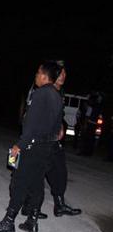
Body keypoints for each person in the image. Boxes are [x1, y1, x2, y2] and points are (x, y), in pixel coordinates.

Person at [0, 61, 64, 232]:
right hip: (46, 147)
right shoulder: (57, 96)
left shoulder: (40, 94)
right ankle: (32, 221)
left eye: (38, 73)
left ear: (44, 76)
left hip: (32, 145)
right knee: (37, 184)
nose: (36, 76)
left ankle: (9, 221)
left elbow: (31, 125)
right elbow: (57, 127)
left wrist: (19, 145)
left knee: (19, 183)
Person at [21, 62, 81, 219]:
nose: (63, 76)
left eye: (65, 73)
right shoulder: (41, 90)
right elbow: (31, 115)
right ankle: (29, 206)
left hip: (53, 140)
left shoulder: (59, 92)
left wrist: (60, 124)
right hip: (39, 139)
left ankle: (59, 204)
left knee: (59, 171)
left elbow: (56, 114)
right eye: (60, 73)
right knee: (34, 172)